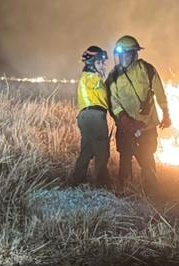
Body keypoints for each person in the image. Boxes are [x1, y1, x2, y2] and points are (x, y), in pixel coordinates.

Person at [106, 34, 172, 196]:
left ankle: (152, 193)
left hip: (147, 126)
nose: (123, 58)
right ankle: (124, 190)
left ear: (134, 54)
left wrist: (166, 113)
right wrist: (125, 120)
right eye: (120, 55)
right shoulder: (114, 76)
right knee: (125, 158)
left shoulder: (148, 70)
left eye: (126, 54)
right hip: (126, 128)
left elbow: (160, 93)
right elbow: (112, 101)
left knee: (147, 159)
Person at [69, 45, 111, 188]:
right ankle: (101, 183)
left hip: (84, 117)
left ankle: (78, 180)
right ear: (91, 64)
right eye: (99, 62)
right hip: (95, 117)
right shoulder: (93, 78)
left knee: (87, 150)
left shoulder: (85, 78)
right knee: (102, 152)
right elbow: (105, 97)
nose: (103, 65)